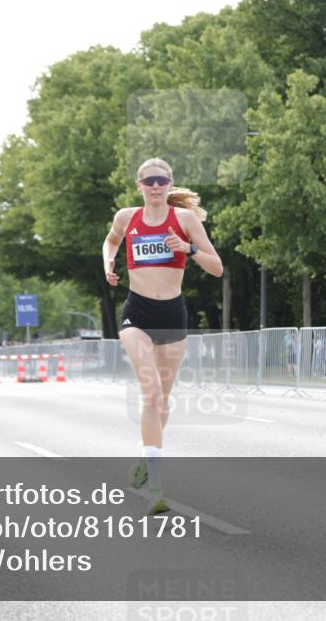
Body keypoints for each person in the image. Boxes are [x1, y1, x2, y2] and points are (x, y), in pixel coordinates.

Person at [102, 158, 223, 514]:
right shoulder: (127, 217)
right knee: (151, 393)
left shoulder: (184, 220)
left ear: (169, 185)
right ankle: (156, 489)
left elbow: (217, 267)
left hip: (172, 316)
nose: (155, 186)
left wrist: (188, 249)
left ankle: (145, 458)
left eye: (161, 180)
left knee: (162, 402)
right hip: (137, 313)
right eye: (149, 181)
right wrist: (108, 263)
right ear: (139, 185)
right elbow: (111, 243)